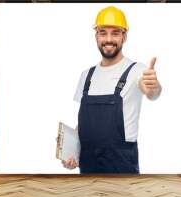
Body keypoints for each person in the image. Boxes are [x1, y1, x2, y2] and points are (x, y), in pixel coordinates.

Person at [62, 6, 162, 174]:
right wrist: (72, 152)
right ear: (96, 36)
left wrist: (154, 87)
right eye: (103, 33)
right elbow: (84, 123)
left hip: (121, 161)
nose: (109, 39)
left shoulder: (137, 70)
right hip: (88, 161)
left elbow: (153, 94)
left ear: (124, 36)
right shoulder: (86, 75)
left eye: (115, 33)